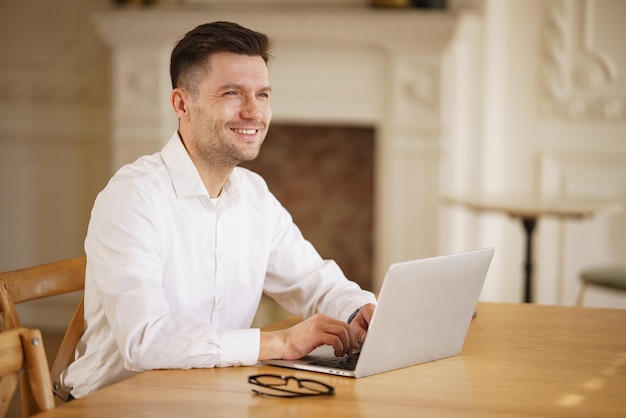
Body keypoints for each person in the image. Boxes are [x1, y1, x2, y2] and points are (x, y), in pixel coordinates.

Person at [62, 21, 377, 398]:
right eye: (232, 93)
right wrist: (279, 344)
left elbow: (313, 281)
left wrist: (361, 313)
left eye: (262, 94)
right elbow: (145, 339)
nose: (253, 112)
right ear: (182, 104)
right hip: (117, 403)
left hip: (216, 396)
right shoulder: (132, 198)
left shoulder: (254, 195)